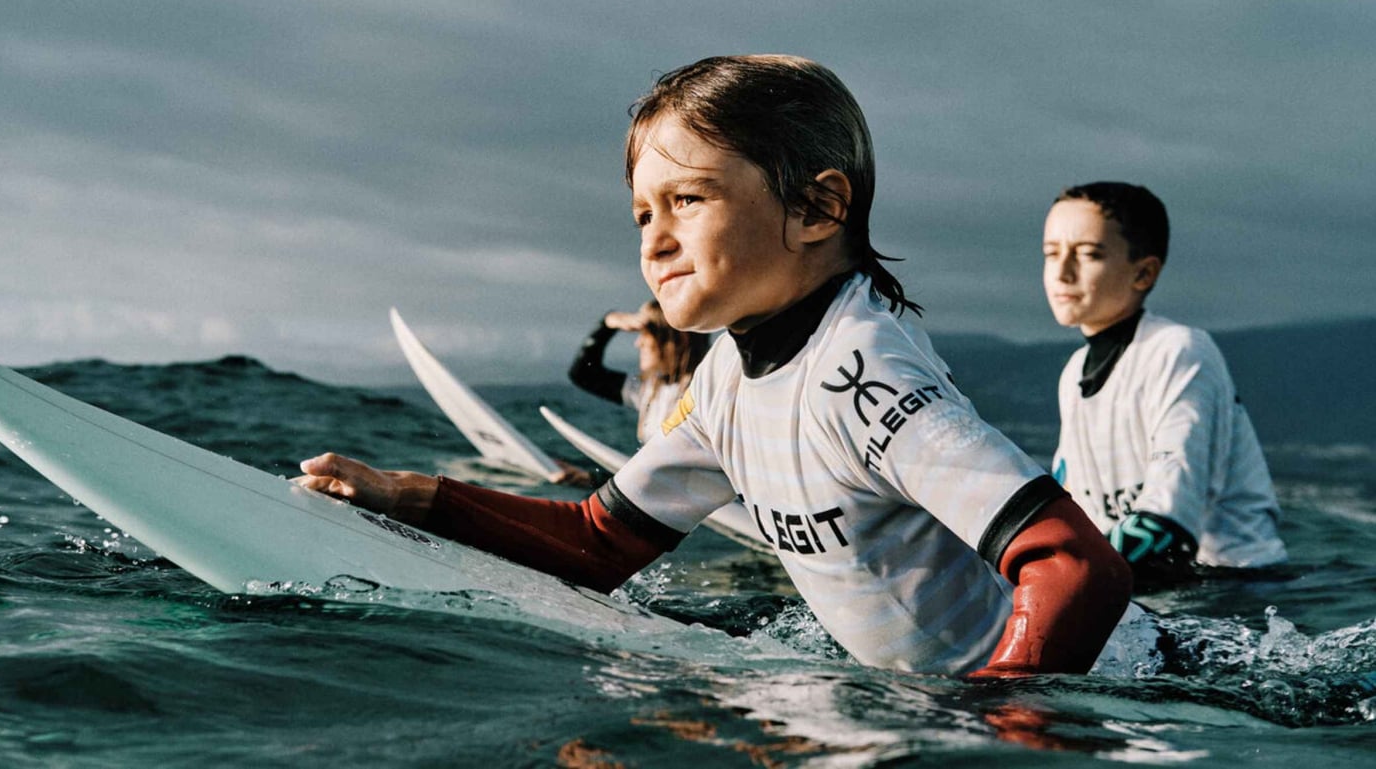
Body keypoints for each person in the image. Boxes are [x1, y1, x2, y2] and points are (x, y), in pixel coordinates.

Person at [297, 55, 1132, 676]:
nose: (654, 240)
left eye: (687, 200)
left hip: (1130, 681)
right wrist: (412, 496)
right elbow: (599, 539)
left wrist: (1007, 725)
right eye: (641, 215)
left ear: (816, 207)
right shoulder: (728, 377)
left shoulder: (863, 371)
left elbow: (1075, 566)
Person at [1042, 182, 1287, 585]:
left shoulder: (1179, 350)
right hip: (1146, 588)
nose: (1063, 272)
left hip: (1237, 591)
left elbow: (1166, 526)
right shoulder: (1074, 372)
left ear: (1144, 272)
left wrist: (1062, 576)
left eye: (1088, 255)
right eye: (1051, 253)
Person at [568, 299, 711, 447]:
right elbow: (583, 374)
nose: (638, 343)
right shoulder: (649, 389)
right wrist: (607, 323)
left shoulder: (705, 392)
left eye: (645, 334)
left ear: (678, 339)